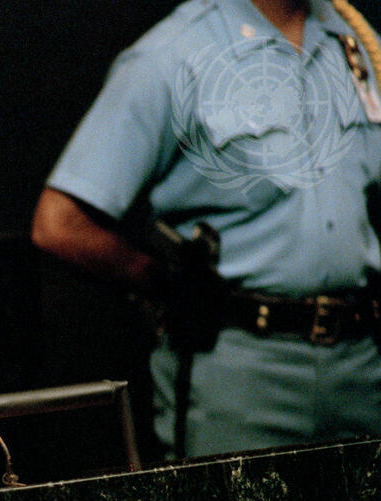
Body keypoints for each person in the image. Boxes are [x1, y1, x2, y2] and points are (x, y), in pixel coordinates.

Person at [32, 0, 381, 458]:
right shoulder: (175, 54)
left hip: (362, 364)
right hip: (240, 367)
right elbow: (59, 224)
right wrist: (162, 281)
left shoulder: (355, 45)